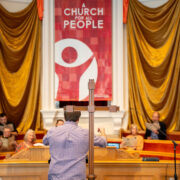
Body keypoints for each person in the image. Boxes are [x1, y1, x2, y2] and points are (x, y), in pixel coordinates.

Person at [43, 111, 107, 180]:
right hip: (76, 177)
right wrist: (102, 131)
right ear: (78, 119)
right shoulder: (85, 133)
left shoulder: (53, 131)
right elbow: (103, 142)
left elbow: (44, 141)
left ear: (64, 118)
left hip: (55, 176)